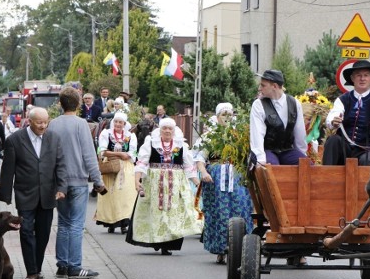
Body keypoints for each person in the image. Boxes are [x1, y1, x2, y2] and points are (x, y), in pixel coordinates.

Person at [0, 107, 67, 279]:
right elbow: (8, 169)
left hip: (47, 194)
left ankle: (37, 267)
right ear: (30, 121)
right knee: (27, 231)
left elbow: (60, 165)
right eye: (39, 122)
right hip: (25, 194)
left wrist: (62, 187)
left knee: (44, 233)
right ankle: (31, 271)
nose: (43, 126)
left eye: (46, 122)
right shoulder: (14, 140)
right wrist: (5, 194)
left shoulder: (54, 138)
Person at [48, 87, 106, 279]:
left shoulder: (52, 124)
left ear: (60, 104)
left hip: (59, 182)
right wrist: (98, 181)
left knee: (63, 223)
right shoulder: (81, 124)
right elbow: (89, 156)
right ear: (79, 104)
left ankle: (62, 265)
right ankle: (74, 266)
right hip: (79, 181)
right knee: (76, 225)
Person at [126, 118, 202, 255]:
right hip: (155, 185)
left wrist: (197, 183)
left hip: (176, 185)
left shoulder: (181, 145)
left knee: (173, 213)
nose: (167, 131)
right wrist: (137, 181)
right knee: (156, 213)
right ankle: (156, 241)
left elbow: (189, 167)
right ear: (160, 130)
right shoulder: (151, 143)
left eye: (170, 129)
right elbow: (142, 163)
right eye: (164, 128)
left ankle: (168, 244)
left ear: (174, 131)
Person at [194, 102, 253, 264]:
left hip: (237, 178)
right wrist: (204, 172)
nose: (227, 118)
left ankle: (242, 249)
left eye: (229, 114)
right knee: (220, 213)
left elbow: (247, 157)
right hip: (216, 179)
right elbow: (200, 158)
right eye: (223, 114)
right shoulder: (210, 136)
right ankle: (221, 249)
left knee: (240, 210)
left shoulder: (239, 136)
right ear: (217, 117)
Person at [322, 60, 370, 166]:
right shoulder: (342, 100)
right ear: (352, 79)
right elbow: (332, 116)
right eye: (358, 75)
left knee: (369, 158)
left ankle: (367, 183)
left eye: (366, 75)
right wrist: (334, 121)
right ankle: (325, 178)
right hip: (344, 147)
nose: (362, 79)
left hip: (366, 149)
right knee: (332, 141)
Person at [249, 69, 308, 165]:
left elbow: (300, 133)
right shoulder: (258, 104)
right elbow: (257, 134)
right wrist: (260, 160)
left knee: (307, 167)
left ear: (274, 86)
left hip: (287, 150)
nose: (259, 88)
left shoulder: (294, 103)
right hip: (267, 151)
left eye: (263, 85)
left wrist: (302, 157)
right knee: (273, 169)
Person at [95, 112, 137, 234]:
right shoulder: (106, 134)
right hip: (110, 166)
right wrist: (119, 154)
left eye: (120, 122)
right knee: (111, 195)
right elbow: (102, 151)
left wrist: (120, 154)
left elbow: (132, 153)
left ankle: (124, 222)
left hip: (126, 167)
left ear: (124, 124)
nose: (118, 124)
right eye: (116, 122)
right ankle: (111, 222)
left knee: (126, 193)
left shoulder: (130, 136)